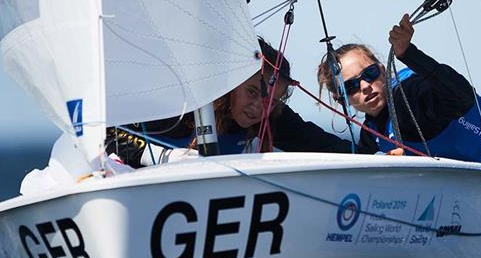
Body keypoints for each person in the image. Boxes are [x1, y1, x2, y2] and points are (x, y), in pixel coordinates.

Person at [317, 14, 481, 172]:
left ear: (383, 70)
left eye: (369, 74)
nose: (365, 86)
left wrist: (408, 54)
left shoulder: (410, 95)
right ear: (342, 100)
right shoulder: (374, 132)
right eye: (351, 87)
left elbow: (461, 97)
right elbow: (340, 155)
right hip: (470, 193)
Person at [108, 38, 352, 168]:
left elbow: (327, 146)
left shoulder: (271, 116)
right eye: (252, 92)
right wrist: (163, 157)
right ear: (231, 85)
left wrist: (382, 156)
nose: (259, 107)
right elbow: (108, 133)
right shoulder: (184, 104)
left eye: (272, 99)